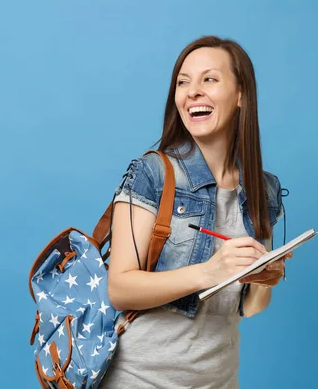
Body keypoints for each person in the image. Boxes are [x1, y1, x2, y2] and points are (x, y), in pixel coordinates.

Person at [99, 36, 292, 388]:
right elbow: (120, 287)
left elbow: (249, 308)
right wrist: (210, 272)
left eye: (209, 79)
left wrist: (264, 278)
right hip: (140, 379)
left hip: (219, 380)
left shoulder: (264, 189)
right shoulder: (152, 173)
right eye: (183, 82)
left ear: (241, 95)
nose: (192, 92)